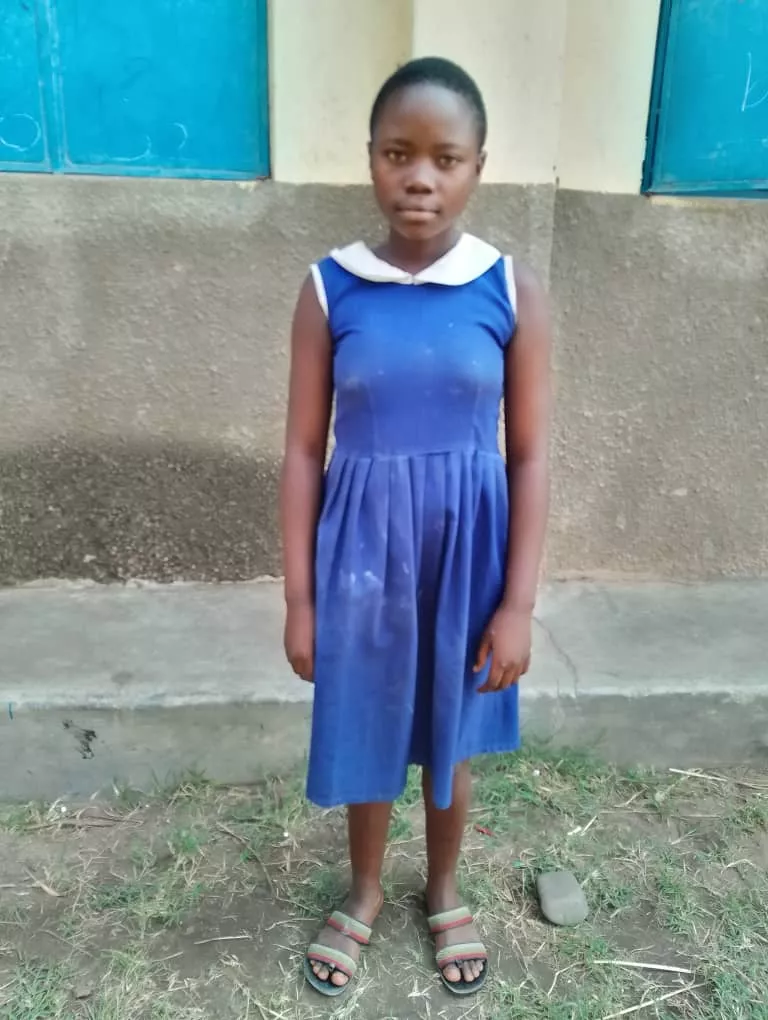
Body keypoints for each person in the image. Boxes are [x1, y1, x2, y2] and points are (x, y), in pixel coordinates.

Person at [280, 56, 551, 998]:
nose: (421, 177)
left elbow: (530, 457)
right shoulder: (330, 289)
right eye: (399, 153)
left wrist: (517, 604)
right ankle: (361, 889)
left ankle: (441, 887)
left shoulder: (508, 290)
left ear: (479, 165)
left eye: (446, 157)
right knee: (364, 726)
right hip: (360, 556)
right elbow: (301, 451)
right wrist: (301, 599)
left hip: (467, 556)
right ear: (370, 161)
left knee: (452, 728)